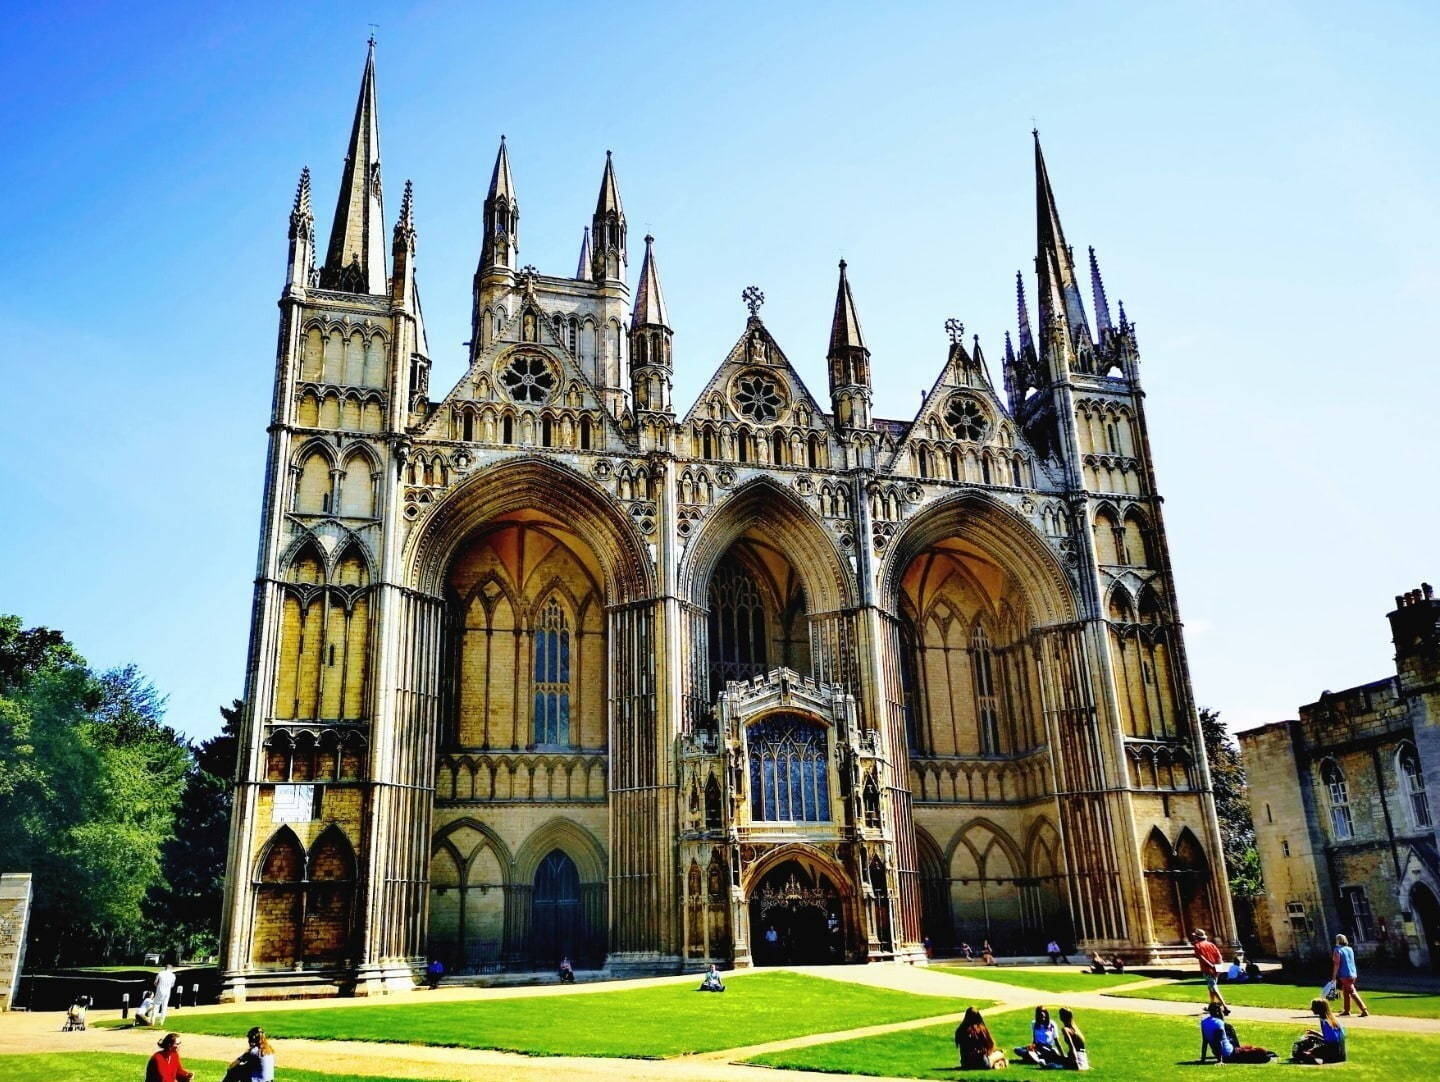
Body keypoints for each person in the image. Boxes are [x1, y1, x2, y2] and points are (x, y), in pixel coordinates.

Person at [1199, 1002, 1277, 1064]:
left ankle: (1267, 1053)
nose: (1223, 1013)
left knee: (1249, 1047)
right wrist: (1220, 1060)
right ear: (1218, 1012)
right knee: (1261, 1051)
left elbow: (1205, 1042)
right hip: (1230, 1054)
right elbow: (1219, 1042)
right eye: (1221, 1011)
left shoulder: (1204, 1022)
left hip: (1229, 1051)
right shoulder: (1218, 1023)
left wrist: (1203, 1059)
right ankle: (1266, 1054)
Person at [1189, 929, 1230, 1015]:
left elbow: (1201, 958)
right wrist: (1218, 967)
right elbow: (1219, 956)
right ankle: (1211, 1006)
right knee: (1211, 987)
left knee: (1214, 988)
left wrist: (1211, 966)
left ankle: (1225, 1007)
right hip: (1216, 968)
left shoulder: (1197, 945)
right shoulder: (1211, 944)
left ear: (1197, 937)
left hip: (1207, 969)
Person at [1292, 999, 1346, 1064]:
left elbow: (1330, 1042)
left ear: (1318, 1008)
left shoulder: (1326, 1021)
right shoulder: (1331, 1018)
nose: (1311, 1008)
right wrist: (1315, 1033)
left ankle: (1318, 1060)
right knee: (1310, 1046)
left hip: (1334, 1051)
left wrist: (1316, 1038)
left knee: (1303, 1054)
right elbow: (1332, 1038)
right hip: (1341, 1052)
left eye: (1313, 1007)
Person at [955, 1006, 1008, 1070]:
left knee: (997, 1055)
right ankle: (999, 1063)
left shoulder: (960, 1030)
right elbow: (990, 1045)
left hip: (965, 1063)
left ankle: (999, 1063)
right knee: (1000, 1054)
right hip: (982, 1063)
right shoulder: (980, 1029)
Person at [1330, 934, 1369, 1017]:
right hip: (1352, 972)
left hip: (1344, 974)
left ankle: (1364, 1009)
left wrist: (1334, 975)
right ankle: (1346, 1010)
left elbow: (1337, 964)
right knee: (1346, 991)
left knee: (1352, 991)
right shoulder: (1349, 949)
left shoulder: (1337, 950)